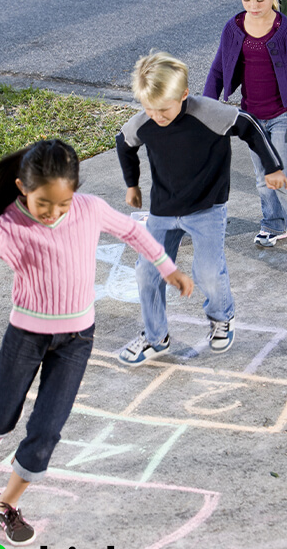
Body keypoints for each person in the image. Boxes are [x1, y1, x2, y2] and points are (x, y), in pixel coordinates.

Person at [0, 139, 193, 546]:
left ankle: (6, 504)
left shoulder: (89, 209)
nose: (53, 213)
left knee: (47, 431)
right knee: (2, 418)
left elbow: (134, 231)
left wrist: (168, 269)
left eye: (62, 203)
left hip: (77, 339)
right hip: (26, 335)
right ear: (22, 188)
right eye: (44, 203)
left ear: (74, 192)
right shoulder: (9, 225)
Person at [116, 51, 287, 366]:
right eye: (149, 108)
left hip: (207, 208)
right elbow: (124, 143)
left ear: (183, 94)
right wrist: (132, 184)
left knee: (207, 270)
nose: (157, 116)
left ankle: (222, 317)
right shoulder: (145, 121)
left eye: (164, 109)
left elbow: (248, 126)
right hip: (163, 211)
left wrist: (272, 166)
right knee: (146, 272)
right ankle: (156, 337)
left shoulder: (208, 113)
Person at [204, 0, 287, 248]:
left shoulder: (284, 29)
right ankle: (273, 224)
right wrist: (205, 108)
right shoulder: (234, 28)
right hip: (251, 116)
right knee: (263, 175)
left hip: (282, 114)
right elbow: (217, 70)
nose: (253, 5)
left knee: (281, 170)